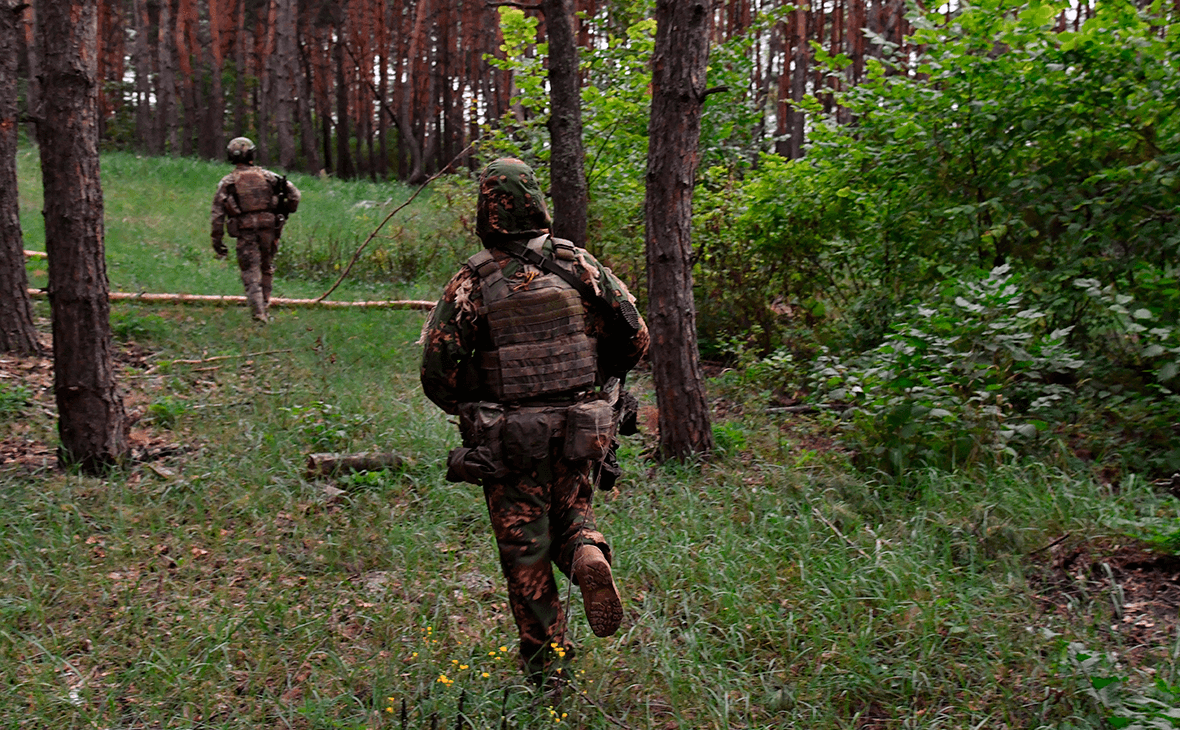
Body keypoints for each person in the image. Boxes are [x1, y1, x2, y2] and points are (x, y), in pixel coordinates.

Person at [420, 158, 649, 683]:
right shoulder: (579, 264)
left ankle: (549, 673)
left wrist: (473, 408)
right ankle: (588, 553)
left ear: (486, 209)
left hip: (510, 441)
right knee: (572, 515)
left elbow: (436, 371)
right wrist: (599, 384)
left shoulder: (473, 280)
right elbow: (636, 336)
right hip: (581, 429)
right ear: (536, 201)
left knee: (527, 554)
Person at [210, 137, 301, 323]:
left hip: (245, 231)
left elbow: (217, 215)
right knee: (266, 267)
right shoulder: (269, 177)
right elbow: (295, 195)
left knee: (250, 271)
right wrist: (286, 209)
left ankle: (259, 314)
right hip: (270, 229)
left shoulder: (227, 182)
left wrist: (217, 241)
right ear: (252, 154)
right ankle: (264, 306)